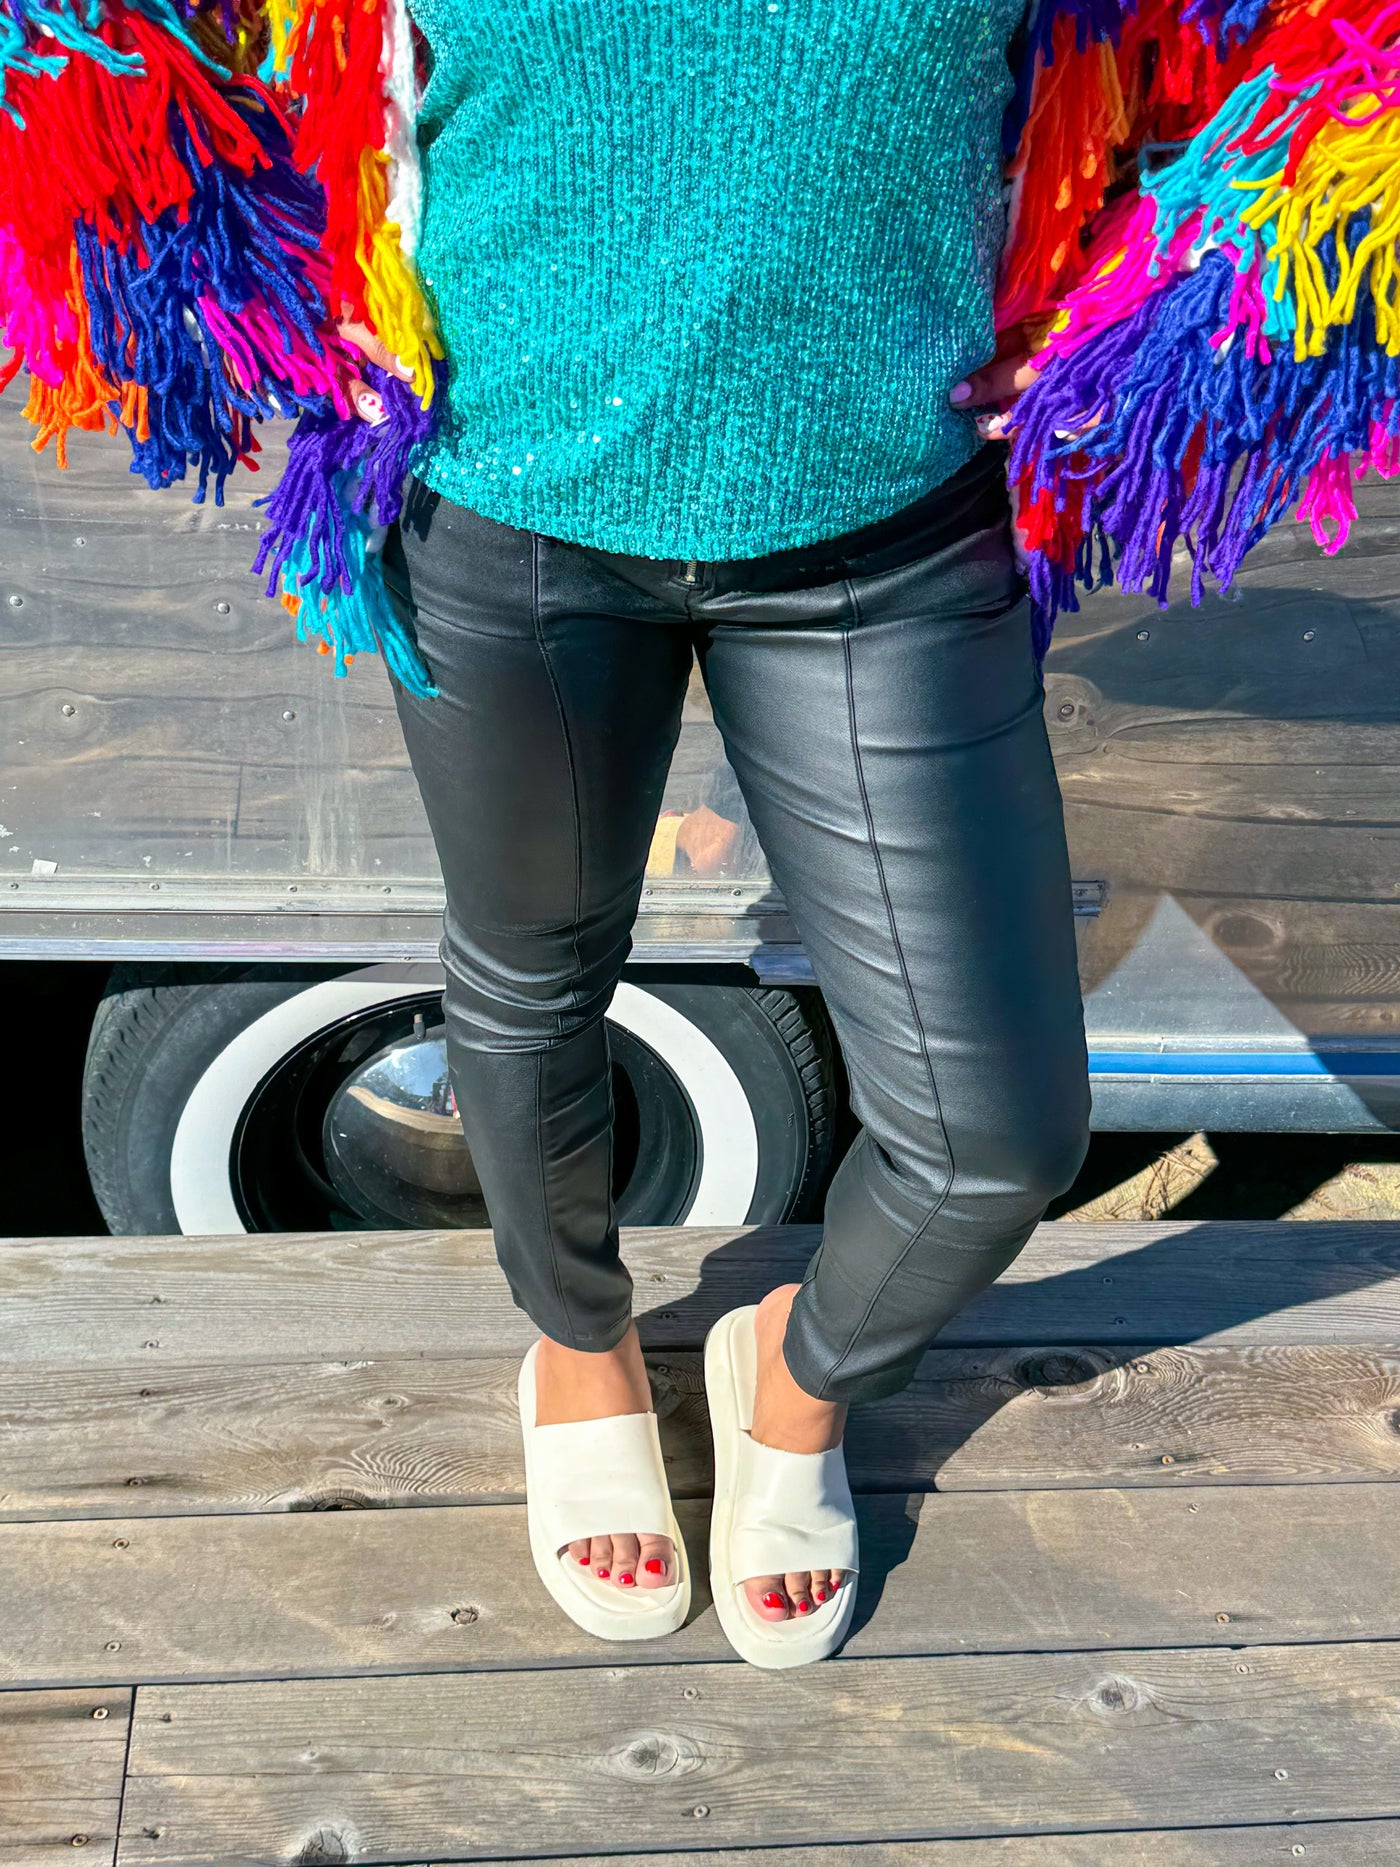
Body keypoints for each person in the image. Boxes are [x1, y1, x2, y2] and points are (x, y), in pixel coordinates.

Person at [338, 0, 1091, 1667]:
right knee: (530, 979)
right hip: (507, 508)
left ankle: (798, 1382)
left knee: (996, 1136)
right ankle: (580, 1348)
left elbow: (1286, 63)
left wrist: (1151, 295)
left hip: (888, 537)